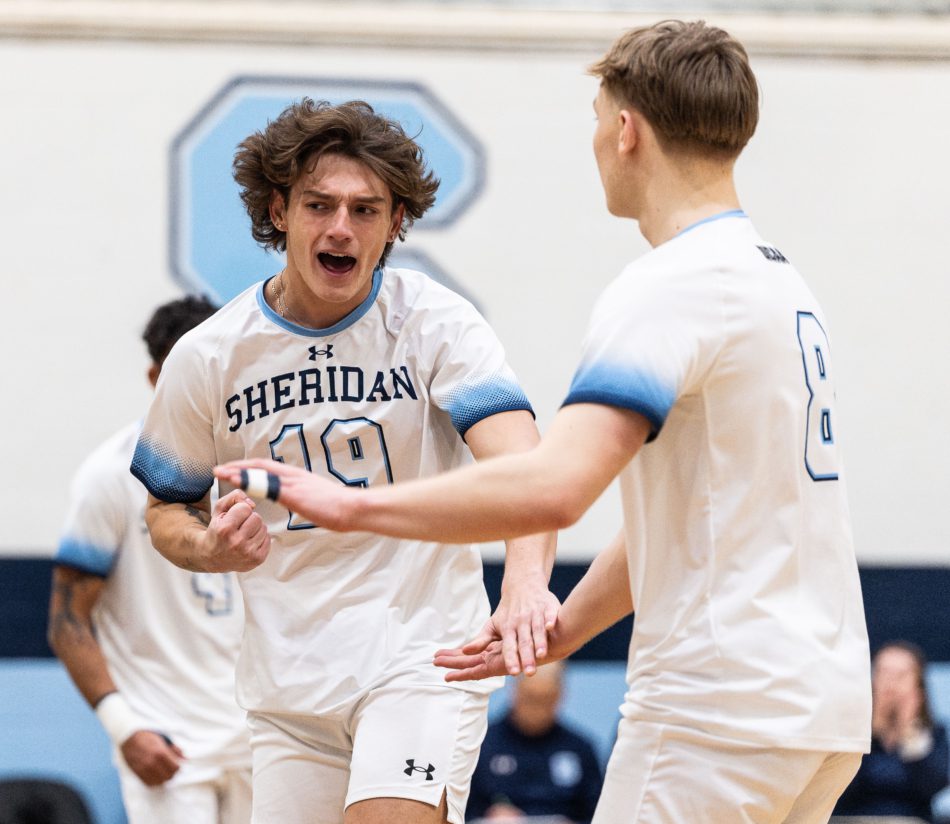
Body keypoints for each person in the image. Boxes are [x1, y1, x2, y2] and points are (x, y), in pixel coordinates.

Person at [228, 20, 874, 823]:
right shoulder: (784, 284)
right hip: (825, 709)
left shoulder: (668, 284)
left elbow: (555, 486)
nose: (598, 138)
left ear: (627, 131)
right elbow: (677, 526)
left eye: (599, 117)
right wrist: (559, 630)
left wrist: (352, 505)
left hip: (716, 707)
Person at [130, 99, 558, 824]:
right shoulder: (210, 354)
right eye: (319, 205)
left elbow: (525, 468)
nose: (340, 227)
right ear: (279, 212)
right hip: (289, 689)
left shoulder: (434, 323)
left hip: (420, 658)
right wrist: (209, 546)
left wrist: (523, 587)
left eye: (365, 210)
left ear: (396, 223)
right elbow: (166, 507)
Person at [48, 296, 253, 824]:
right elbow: (67, 620)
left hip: (261, 724)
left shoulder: (265, 460)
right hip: (168, 737)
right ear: (155, 375)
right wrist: (123, 727)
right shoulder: (110, 476)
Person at [466, 662, 601, 824]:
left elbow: (599, 814)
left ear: (560, 696)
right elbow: (459, 810)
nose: (537, 708)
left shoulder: (580, 749)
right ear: (514, 691)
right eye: (530, 698)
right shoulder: (481, 744)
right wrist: (488, 816)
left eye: (546, 699)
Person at [834, 641, 950, 822]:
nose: (891, 683)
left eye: (901, 675)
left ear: (918, 684)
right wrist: (869, 732)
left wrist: (908, 734)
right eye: (884, 672)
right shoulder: (849, 730)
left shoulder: (933, 734)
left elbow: (931, 787)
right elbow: (839, 788)